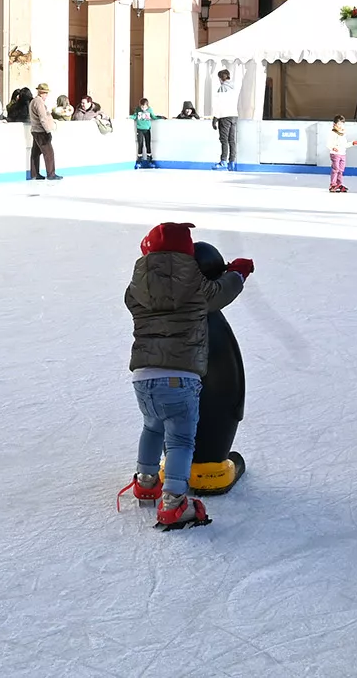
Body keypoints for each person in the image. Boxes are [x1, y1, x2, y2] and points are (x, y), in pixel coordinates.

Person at [119, 221, 252, 530]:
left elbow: (135, 296)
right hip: (179, 378)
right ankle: (174, 502)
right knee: (179, 440)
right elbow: (221, 292)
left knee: (152, 429)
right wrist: (238, 272)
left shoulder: (137, 287)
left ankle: (146, 481)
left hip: (143, 378)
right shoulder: (194, 285)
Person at [29, 83, 60, 180]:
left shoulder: (33, 101)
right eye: (46, 93)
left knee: (35, 153)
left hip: (35, 130)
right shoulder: (39, 102)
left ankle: (34, 174)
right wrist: (48, 131)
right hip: (41, 131)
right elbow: (43, 118)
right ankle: (51, 174)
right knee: (49, 153)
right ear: (42, 93)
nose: (46, 96)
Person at [210, 69, 238, 169]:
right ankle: (232, 162)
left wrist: (215, 118)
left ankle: (223, 161)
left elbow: (220, 104)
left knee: (224, 140)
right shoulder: (234, 88)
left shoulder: (223, 88)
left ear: (221, 78)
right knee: (232, 140)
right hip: (234, 115)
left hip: (224, 116)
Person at [327, 116, 357, 193]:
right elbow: (328, 143)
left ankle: (339, 184)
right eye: (339, 124)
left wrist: (352, 143)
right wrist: (333, 147)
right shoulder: (333, 133)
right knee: (336, 169)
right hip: (335, 154)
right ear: (335, 124)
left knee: (341, 170)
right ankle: (333, 184)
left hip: (342, 154)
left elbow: (344, 144)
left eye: (342, 123)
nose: (341, 125)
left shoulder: (343, 133)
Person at [133, 98, 157, 168]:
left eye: (145, 107)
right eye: (142, 107)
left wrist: (160, 117)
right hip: (140, 129)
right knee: (140, 144)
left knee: (148, 144)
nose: (143, 108)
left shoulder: (149, 110)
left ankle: (149, 159)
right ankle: (139, 159)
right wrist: (130, 117)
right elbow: (135, 116)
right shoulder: (138, 109)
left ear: (147, 106)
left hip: (147, 130)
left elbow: (153, 117)